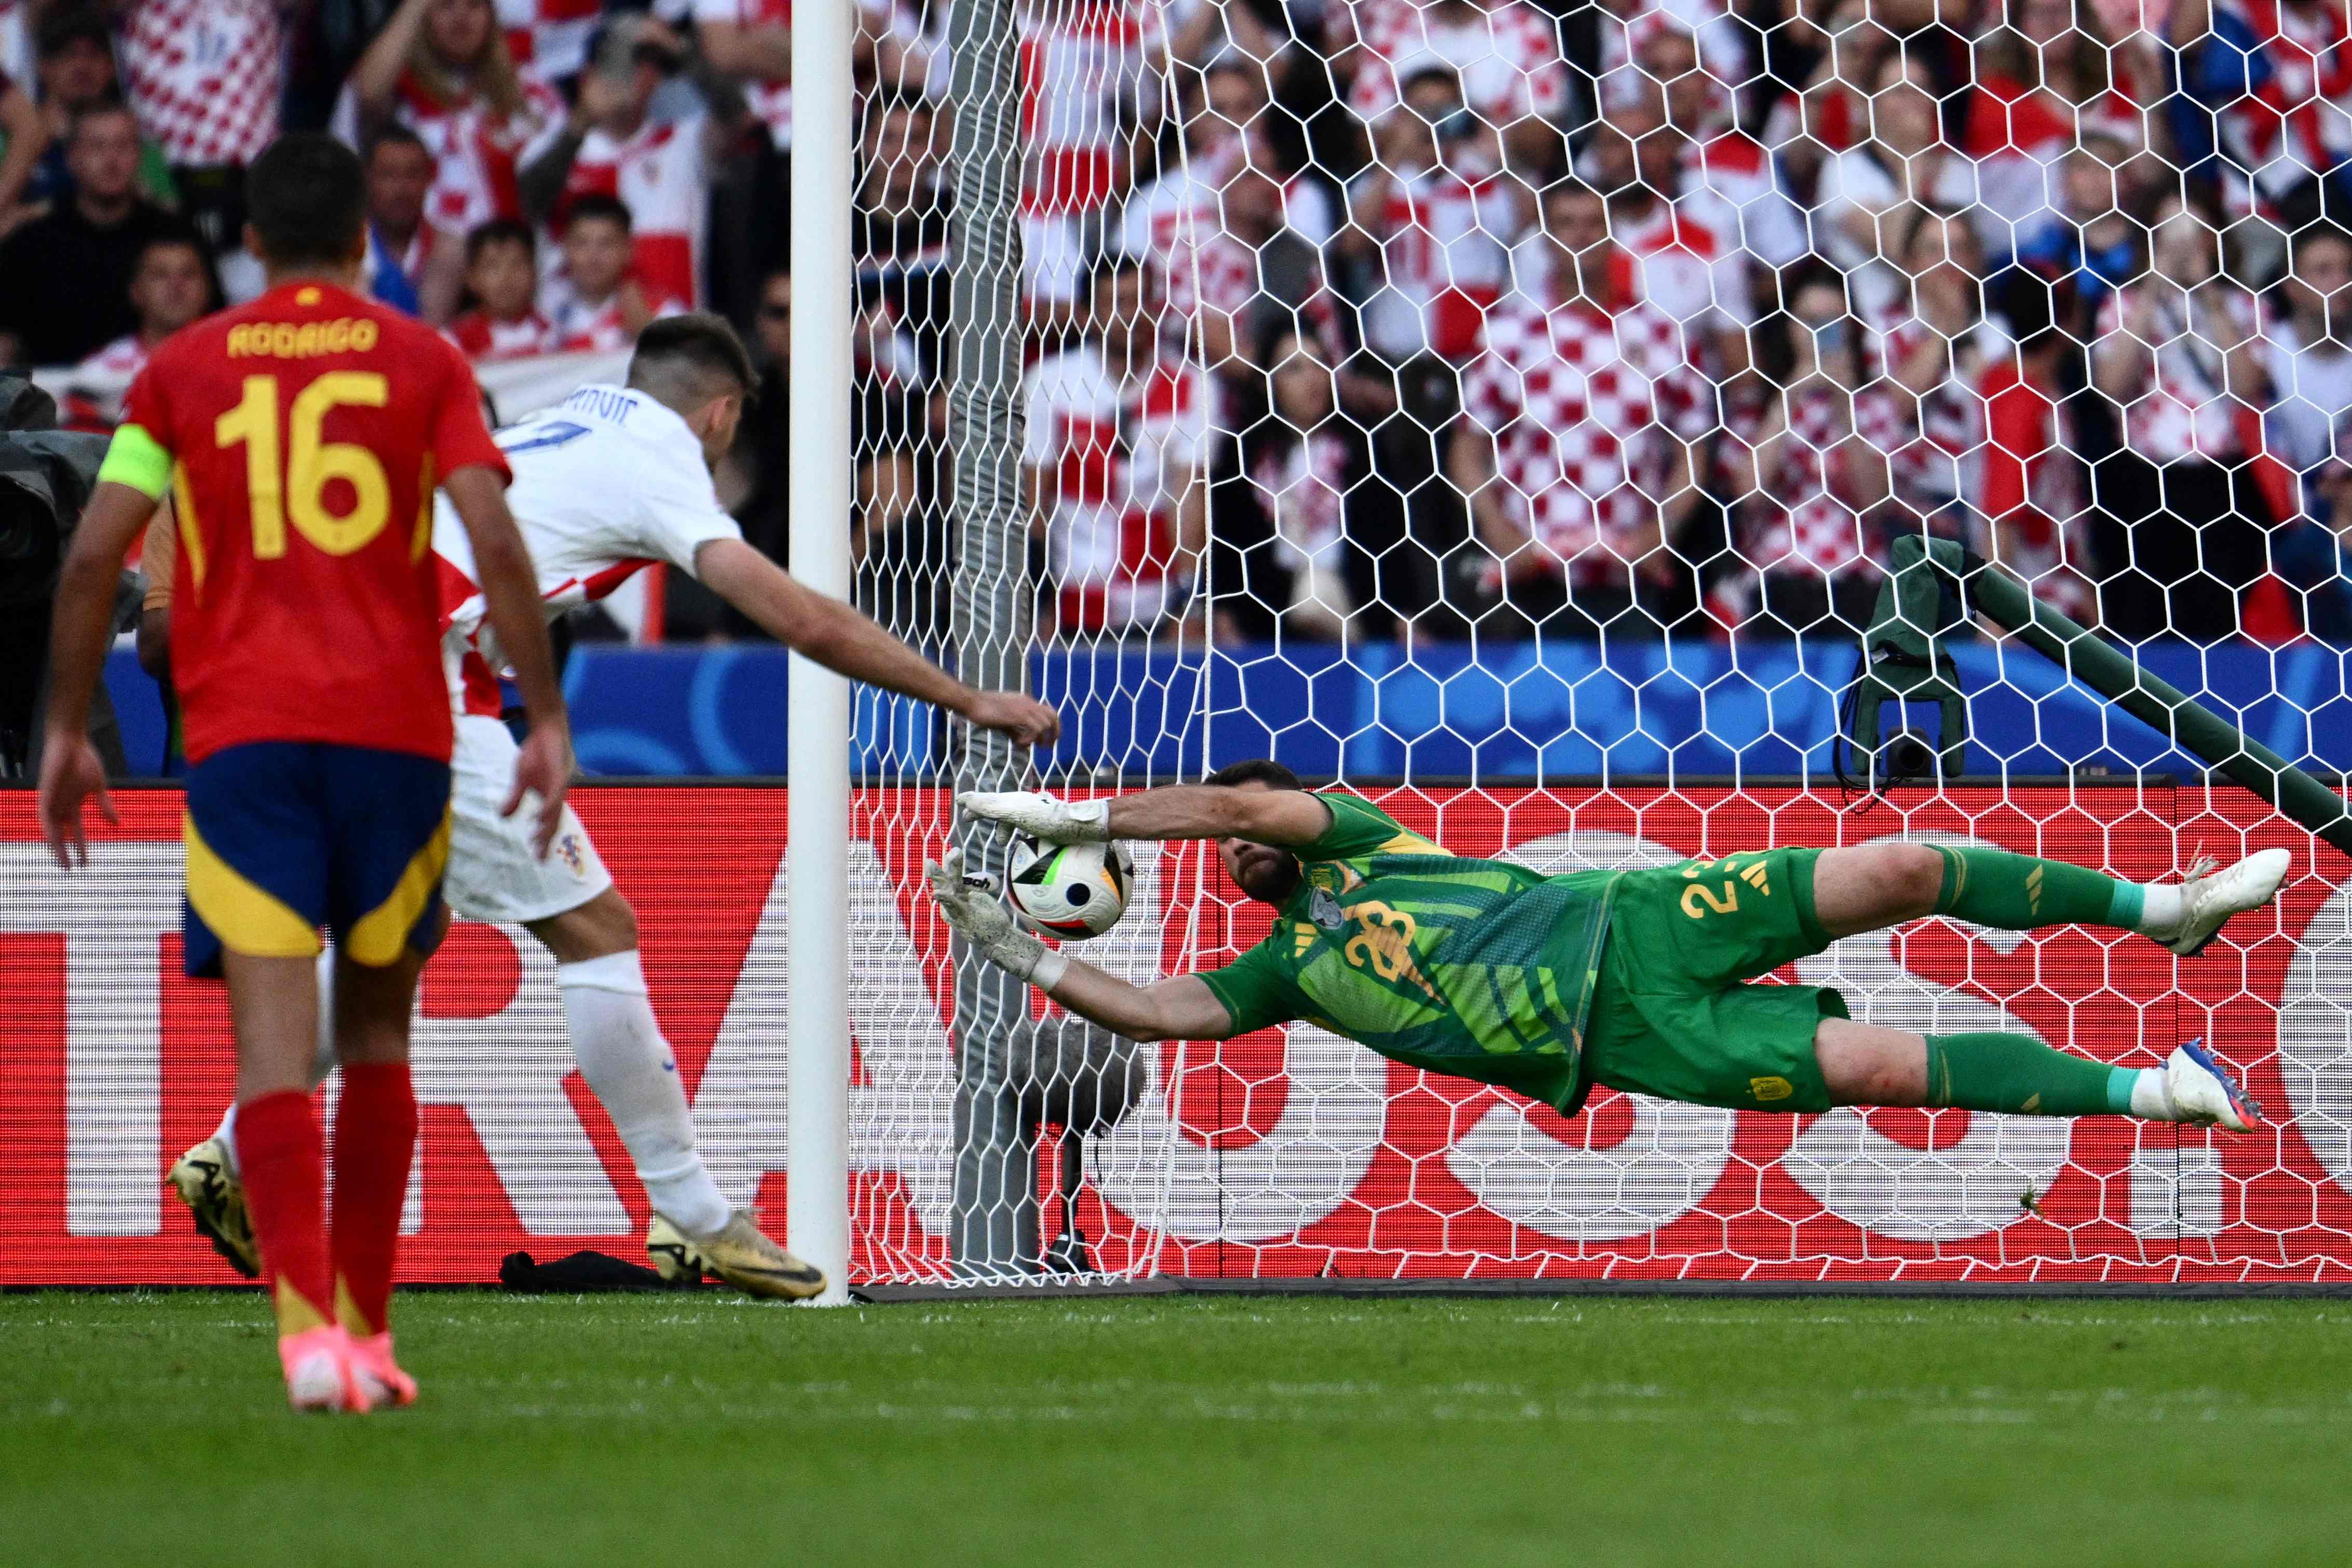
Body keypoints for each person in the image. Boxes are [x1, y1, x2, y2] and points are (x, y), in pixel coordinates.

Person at [159, 312, 1063, 1301]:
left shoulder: (566, 419)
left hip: (330, 649)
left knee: (400, 940)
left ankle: (234, 1151)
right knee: (596, 929)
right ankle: (698, 1214)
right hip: (414, 667)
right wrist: (969, 697)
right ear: (719, 416)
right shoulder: (660, 456)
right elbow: (801, 616)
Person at [38, 131, 569, 1413]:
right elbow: (494, 532)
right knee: (381, 1040)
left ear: (255, 245)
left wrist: (64, 724)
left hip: (247, 739)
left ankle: (305, 1341)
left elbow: (94, 555)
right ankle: (375, 1337)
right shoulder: (428, 359)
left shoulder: (178, 372)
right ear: (362, 245)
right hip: (396, 732)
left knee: (275, 1054)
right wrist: (545, 713)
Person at [932, 765, 2282, 1156]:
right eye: (1227, 849)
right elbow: (1164, 1007)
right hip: (1623, 1042)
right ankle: (2155, 1092)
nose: (1236, 849)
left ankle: (2161, 906)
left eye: (1242, 821)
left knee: (1900, 868)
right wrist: (1025, 960)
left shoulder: (1351, 834)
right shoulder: (1283, 969)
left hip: (1632, 919)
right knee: (1875, 1066)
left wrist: (1084, 817)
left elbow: (1232, 806)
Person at [0, 103, 207, 365]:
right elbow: (5, 342)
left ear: (140, 155)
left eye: (123, 146)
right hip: (54, 398)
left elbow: (213, 324)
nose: (111, 160)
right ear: (72, 158)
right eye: (97, 147)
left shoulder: (177, 234)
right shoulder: (30, 243)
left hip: (161, 388)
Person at [70, 231, 215, 393]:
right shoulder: (98, 371)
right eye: (160, 275)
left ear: (207, 288)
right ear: (135, 291)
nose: (176, 285)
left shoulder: (232, 358)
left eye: (188, 274)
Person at [544, 193, 675, 351]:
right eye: (582, 243)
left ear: (629, 250)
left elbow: (693, 366)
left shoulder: (664, 311)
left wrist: (649, 333)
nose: (593, 257)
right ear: (566, 248)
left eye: (606, 244)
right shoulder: (546, 311)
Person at [359, 124, 464, 322]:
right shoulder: (344, 254)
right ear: (368, 180)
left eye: (412, 174)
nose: (401, 189)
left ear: (429, 180)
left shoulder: (455, 252)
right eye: (388, 175)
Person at [444, 216, 551, 361]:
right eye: (492, 266)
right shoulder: (455, 341)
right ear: (472, 278)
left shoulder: (553, 333)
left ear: (534, 274)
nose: (505, 277)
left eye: (516, 264)